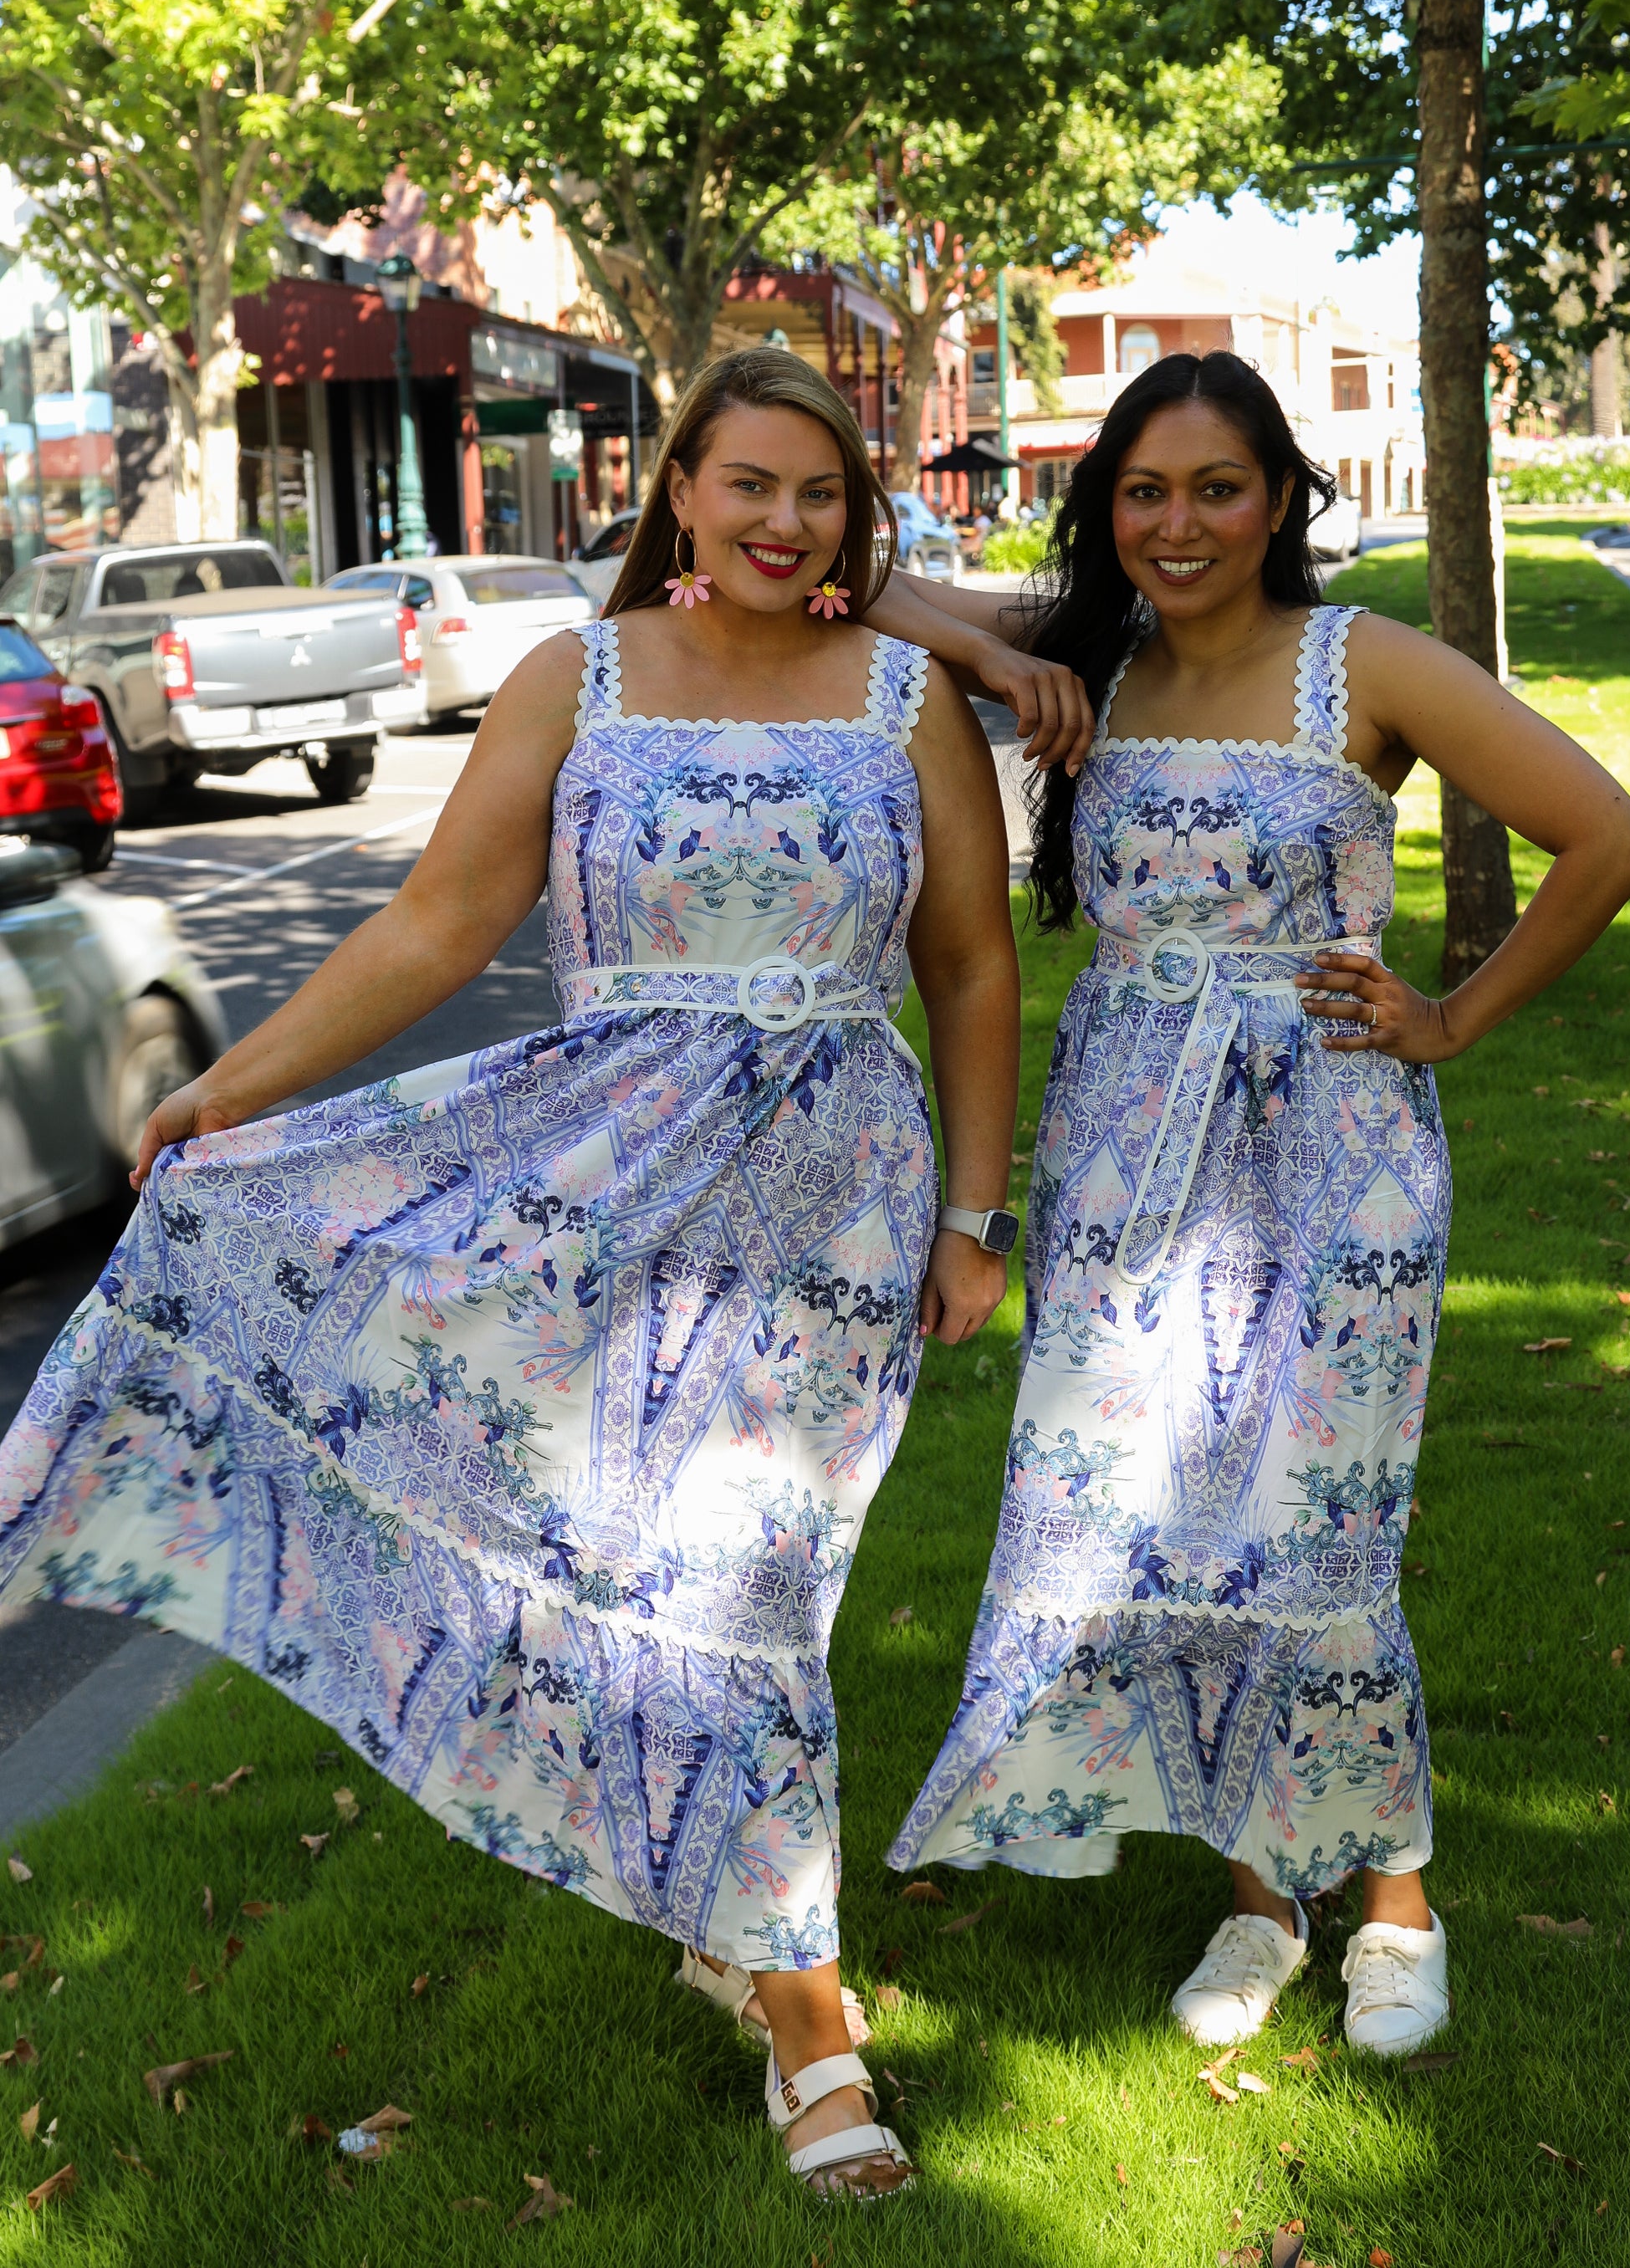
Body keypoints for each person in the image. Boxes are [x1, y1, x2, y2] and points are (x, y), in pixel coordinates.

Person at [0, 349, 1024, 2203]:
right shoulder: (582, 674)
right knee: (642, 1572)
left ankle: (808, 2022)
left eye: (822, 494)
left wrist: (974, 1212)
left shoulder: (904, 697)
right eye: (752, 485)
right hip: (600, 1178)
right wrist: (230, 1088)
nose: (788, 523)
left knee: (748, 1588)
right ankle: (752, 1926)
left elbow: (966, 962)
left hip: (832, 1205)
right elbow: (435, 920)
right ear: (682, 492)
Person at [869, 350, 1630, 2056]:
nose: (1177, 523)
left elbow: (1607, 832)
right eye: (1142, 492)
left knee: (1320, 1522)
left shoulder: (1361, 663)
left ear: (1282, 498)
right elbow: (855, 569)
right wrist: (1003, 651)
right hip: (1125, 1150)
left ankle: (1392, 1900)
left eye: (1216, 487)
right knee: (1160, 1514)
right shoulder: (1095, 667)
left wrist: (1447, 1017)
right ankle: (1257, 1896)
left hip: (1334, 1157)